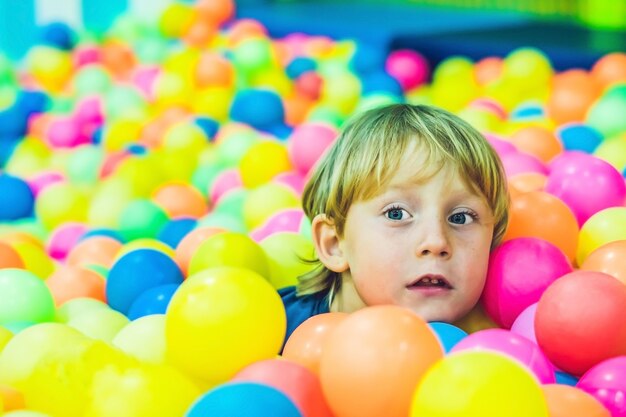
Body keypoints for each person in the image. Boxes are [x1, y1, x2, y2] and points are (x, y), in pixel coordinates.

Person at [279, 103, 509, 342]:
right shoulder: (277, 329)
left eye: (460, 217)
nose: (436, 241)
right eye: (396, 214)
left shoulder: (495, 348)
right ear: (335, 243)